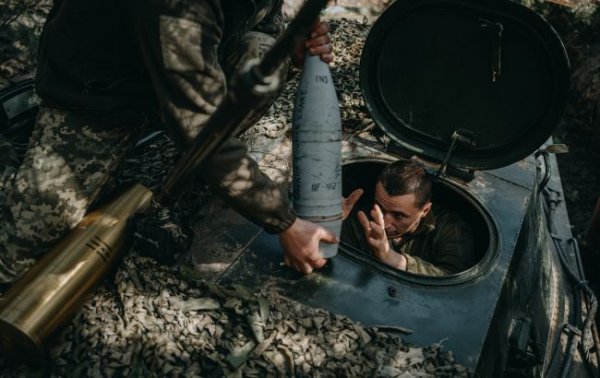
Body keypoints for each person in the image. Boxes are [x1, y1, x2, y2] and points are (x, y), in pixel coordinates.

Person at [0, 0, 336, 284]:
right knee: (21, 255)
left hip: (185, 68)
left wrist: (288, 45)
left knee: (264, 54)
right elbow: (202, 126)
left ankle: (189, 164)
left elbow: (265, 22)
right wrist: (284, 222)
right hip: (97, 92)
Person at [341, 159, 476, 276]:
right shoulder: (361, 214)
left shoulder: (451, 229)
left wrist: (391, 257)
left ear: (425, 210)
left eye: (399, 215)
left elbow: (453, 280)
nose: (385, 224)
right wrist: (332, 224)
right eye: (380, 208)